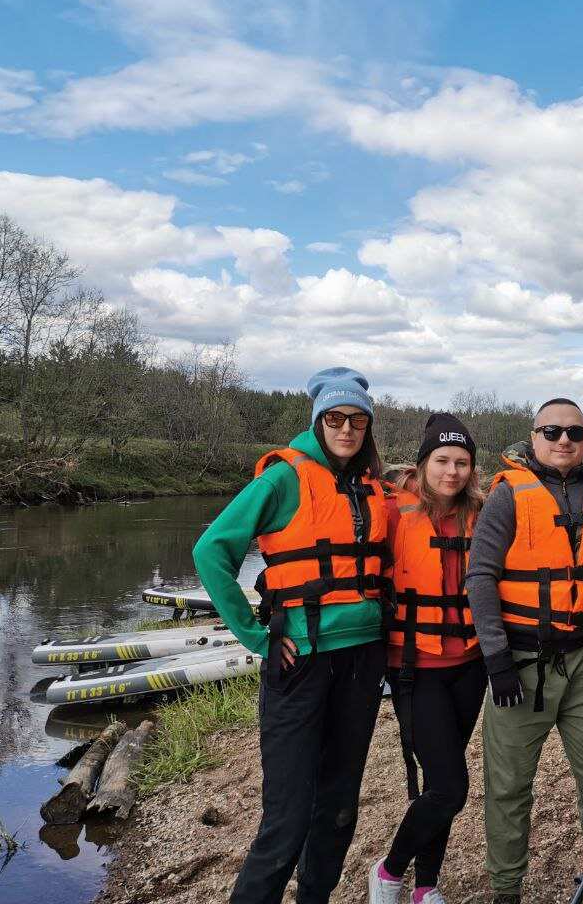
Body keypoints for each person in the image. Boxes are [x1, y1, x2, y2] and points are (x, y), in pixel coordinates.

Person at [192, 367, 390, 904]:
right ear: (318, 421)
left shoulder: (375, 486)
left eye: (356, 419)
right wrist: (255, 636)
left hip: (362, 662)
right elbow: (211, 551)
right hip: (300, 660)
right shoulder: (282, 478)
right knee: (287, 816)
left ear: (367, 426)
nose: (346, 428)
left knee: (340, 805)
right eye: (335, 418)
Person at [464, 397, 583, 904]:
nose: (563, 440)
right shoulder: (508, 496)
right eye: (551, 431)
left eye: (574, 431)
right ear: (534, 437)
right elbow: (480, 576)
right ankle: (505, 890)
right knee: (507, 785)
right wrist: (496, 658)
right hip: (521, 665)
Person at [369, 414, 486, 904]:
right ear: (422, 464)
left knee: (443, 779)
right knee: (449, 786)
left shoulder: (482, 513)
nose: (452, 471)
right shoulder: (394, 513)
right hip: (415, 667)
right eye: (442, 460)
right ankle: (389, 872)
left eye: (462, 462)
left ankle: (426, 887)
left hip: (471, 664)